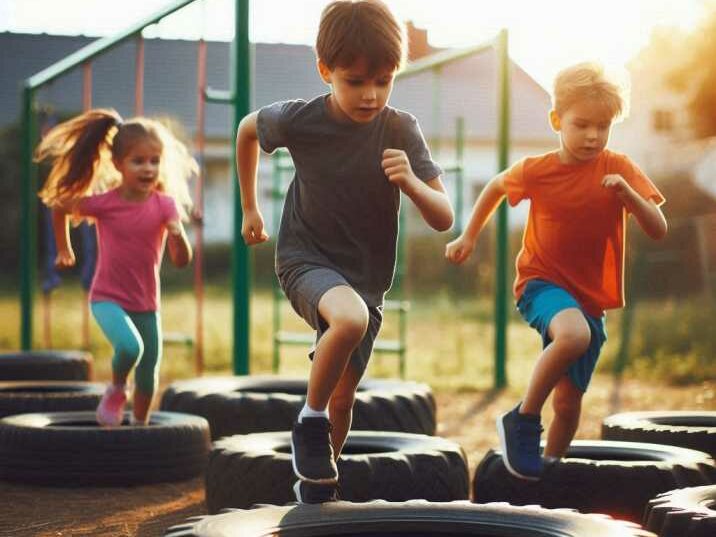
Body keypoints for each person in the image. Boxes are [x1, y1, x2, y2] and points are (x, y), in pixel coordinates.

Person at [236, 0, 453, 503]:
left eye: (383, 79)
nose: (371, 94)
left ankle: (316, 487)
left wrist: (413, 185)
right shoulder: (300, 119)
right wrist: (250, 207)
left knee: (342, 396)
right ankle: (307, 424)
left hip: (367, 278)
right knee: (348, 320)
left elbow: (443, 216)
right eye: (355, 81)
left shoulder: (400, 128)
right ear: (325, 70)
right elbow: (247, 129)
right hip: (304, 259)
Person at [446, 62, 667, 480]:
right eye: (582, 124)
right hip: (540, 281)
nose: (593, 136)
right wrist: (469, 236)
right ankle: (523, 419)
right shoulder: (537, 170)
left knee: (568, 406)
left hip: (591, 299)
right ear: (556, 120)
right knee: (573, 334)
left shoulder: (617, 167)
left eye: (603, 126)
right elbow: (494, 187)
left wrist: (628, 194)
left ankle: (547, 472)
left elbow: (658, 227)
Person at [35, 108, 196, 426]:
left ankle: (138, 428)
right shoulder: (106, 203)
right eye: (138, 161)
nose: (148, 168)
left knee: (149, 371)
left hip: (147, 304)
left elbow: (181, 261)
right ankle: (116, 389)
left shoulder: (165, 205)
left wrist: (178, 236)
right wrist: (65, 249)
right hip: (107, 297)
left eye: (154, 160)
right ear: (119, 163)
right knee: (128, 347)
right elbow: (59, 207)